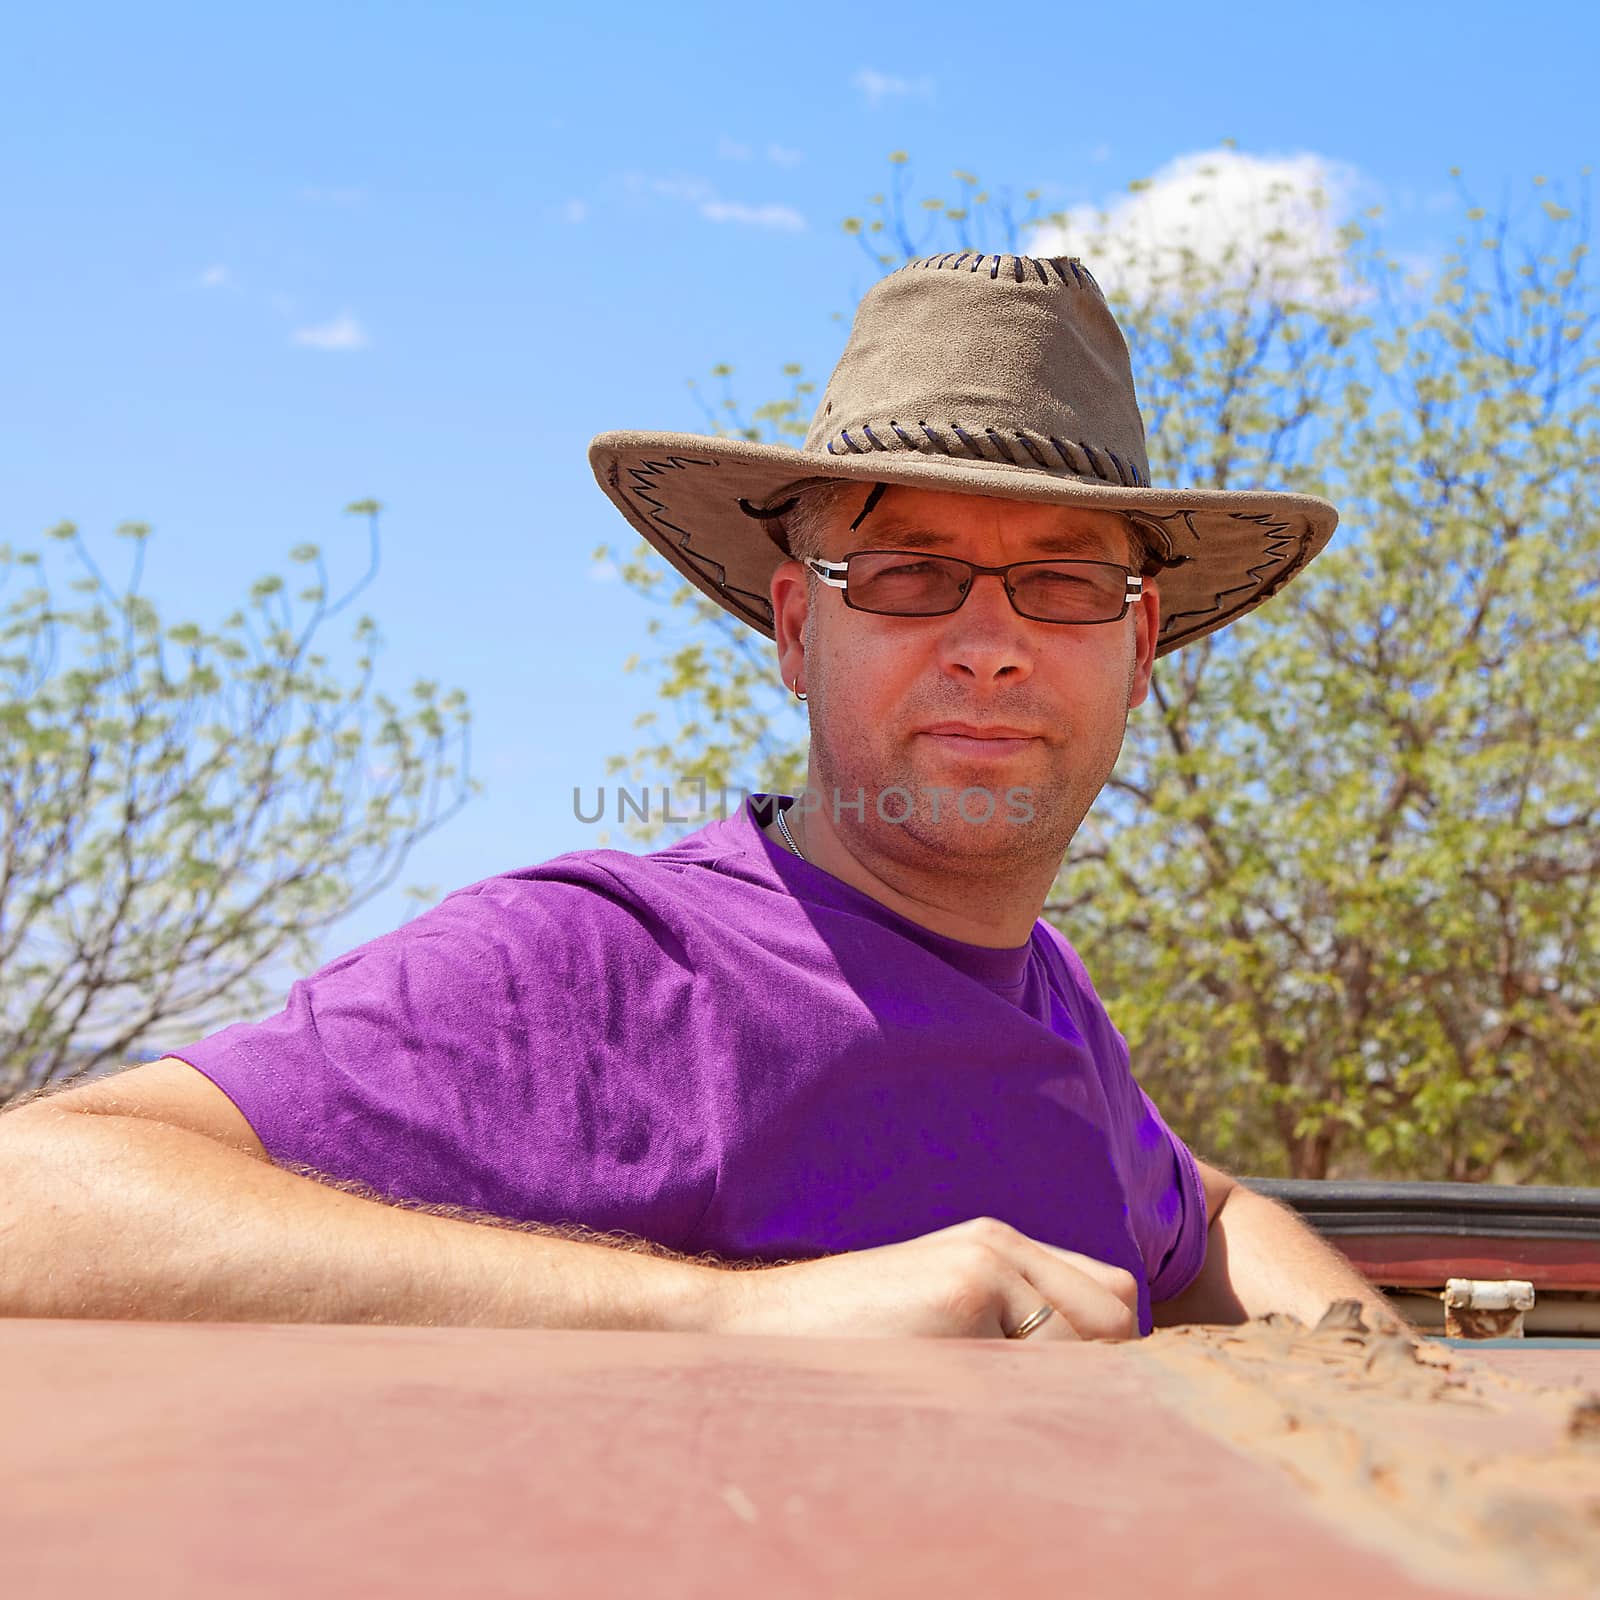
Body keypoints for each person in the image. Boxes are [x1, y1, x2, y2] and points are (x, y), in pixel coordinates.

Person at [0, 252, 1402, 1342]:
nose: (989, 640)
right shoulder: (608, 974)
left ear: (1140, 647)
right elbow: (32, 1197)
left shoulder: (1050, 1004)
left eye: (1066, 581)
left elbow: (1201, 1214)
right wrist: (731, 1316)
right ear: (798, 630)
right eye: (907, 574)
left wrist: (1389, 1367)